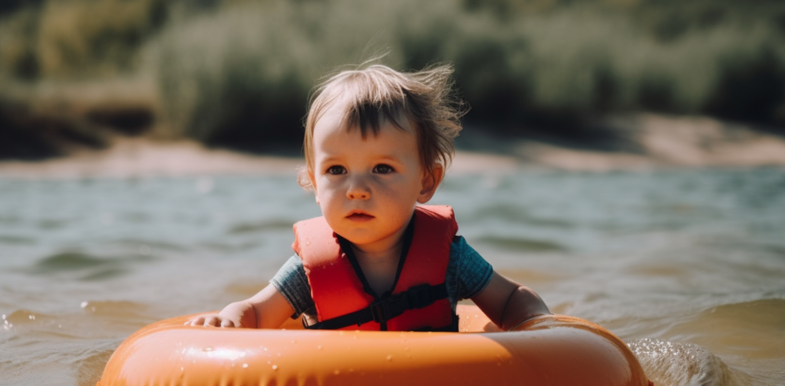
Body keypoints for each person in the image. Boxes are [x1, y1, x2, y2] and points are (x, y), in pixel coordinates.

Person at [187, 63, 551, 331]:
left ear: (427, 181)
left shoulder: (451, 259)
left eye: (381, 169)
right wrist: (228, 320)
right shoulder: (309, 271)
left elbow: (510, 299)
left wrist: (536, 325)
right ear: (314, 184)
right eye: (336, 171)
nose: (356, 189)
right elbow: (255, 312)